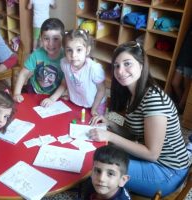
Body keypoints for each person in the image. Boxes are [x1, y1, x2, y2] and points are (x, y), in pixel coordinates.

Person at [89, 41, 190, 197]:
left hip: (167, 171)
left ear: (141, 66)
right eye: (116, 66)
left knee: (101, 168)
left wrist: (110, 135)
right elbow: (132, 130)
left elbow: (151, 153)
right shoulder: (133, 92)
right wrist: (110, 122)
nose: (120, 71)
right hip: (154, 161)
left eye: (127, 64)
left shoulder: (153, 99)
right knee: (103, 154)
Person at [41, 29, 106, 116]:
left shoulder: (94, 69)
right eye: (69, 50)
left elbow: (101, 90)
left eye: (79, 50)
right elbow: (64, 84)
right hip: (76, 102)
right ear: (65, 51)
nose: (73, 55)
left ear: (87, 50)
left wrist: (94, 109)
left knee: (95, 125)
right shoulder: (65, 64)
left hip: (96, 104)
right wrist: (52, 99)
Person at [13, 18, 65, 103]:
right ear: (41, 38)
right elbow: (23, 74)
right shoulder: (36, 54)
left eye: (55, 39)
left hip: (55, 95)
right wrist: (16, 93)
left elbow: (64, 84)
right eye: (46, 38)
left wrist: (52, 99)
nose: (51, 43)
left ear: (63, 39)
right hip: (33, 90)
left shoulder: (66, 58)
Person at [171, 23, 192, 114]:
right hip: (184, 56)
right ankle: (182, 106)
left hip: (190, 60)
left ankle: (181, 106)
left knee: (186, 85)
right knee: (174, 83)